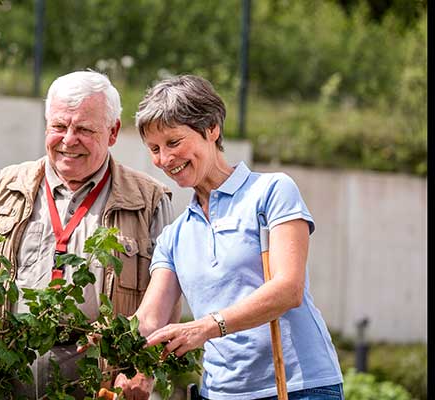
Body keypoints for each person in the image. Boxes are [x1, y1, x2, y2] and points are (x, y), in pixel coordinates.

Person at [0, 70, 178, 399]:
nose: (68, 140)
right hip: (2, 380)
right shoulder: (5, 188)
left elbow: (166, 301)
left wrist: (141, 371)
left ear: (113, 131)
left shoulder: (149, 201)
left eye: (84, 130)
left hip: (101, 385)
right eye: (59, 127)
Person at [132, 75, 344, 399]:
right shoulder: (174, 236)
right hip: (219, 393)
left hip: (297, 386)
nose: (164, 159)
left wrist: (206, 327)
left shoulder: (271, 192)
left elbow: (288, 289)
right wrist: (107, 336)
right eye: (155, 149)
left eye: (173, 142)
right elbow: (149, 319)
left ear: (212, 128)